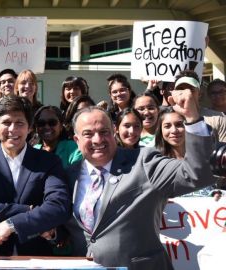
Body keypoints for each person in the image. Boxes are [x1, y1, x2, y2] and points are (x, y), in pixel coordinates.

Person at [65, 85, 215, 269]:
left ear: (114, 131)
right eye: (88, 134)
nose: (97, 140)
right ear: (76, 140)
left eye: (104, 132)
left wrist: (192, 119)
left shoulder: (144, 161)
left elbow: (197, 174)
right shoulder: (68, 175)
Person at [0, 96, 70, 256]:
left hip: (36, 257)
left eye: (19, 123)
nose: (12, 129)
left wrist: (11, 224)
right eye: (6, 123)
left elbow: (58, 206)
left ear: (29, 128)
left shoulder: (49, 162)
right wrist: (28, 210)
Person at [174, 70, 226, 142]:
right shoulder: (166, 118)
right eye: (181, 89)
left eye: (191, 90)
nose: (187, 94)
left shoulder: (218, 118)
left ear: (199, 94)